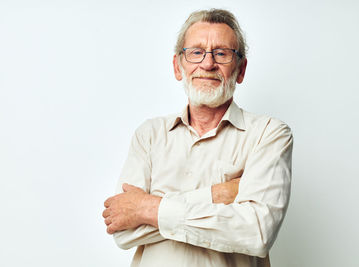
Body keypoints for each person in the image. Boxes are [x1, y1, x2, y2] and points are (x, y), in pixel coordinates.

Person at [102, 8, 293, 267]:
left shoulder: (269, 134)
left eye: (222, 53)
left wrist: (146, 209)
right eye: (196, 52)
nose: (207, 63)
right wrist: (218, 195)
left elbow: (257, 232)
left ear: (241, 69)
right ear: (178, 67)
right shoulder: (149, 135)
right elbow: (123, 231)